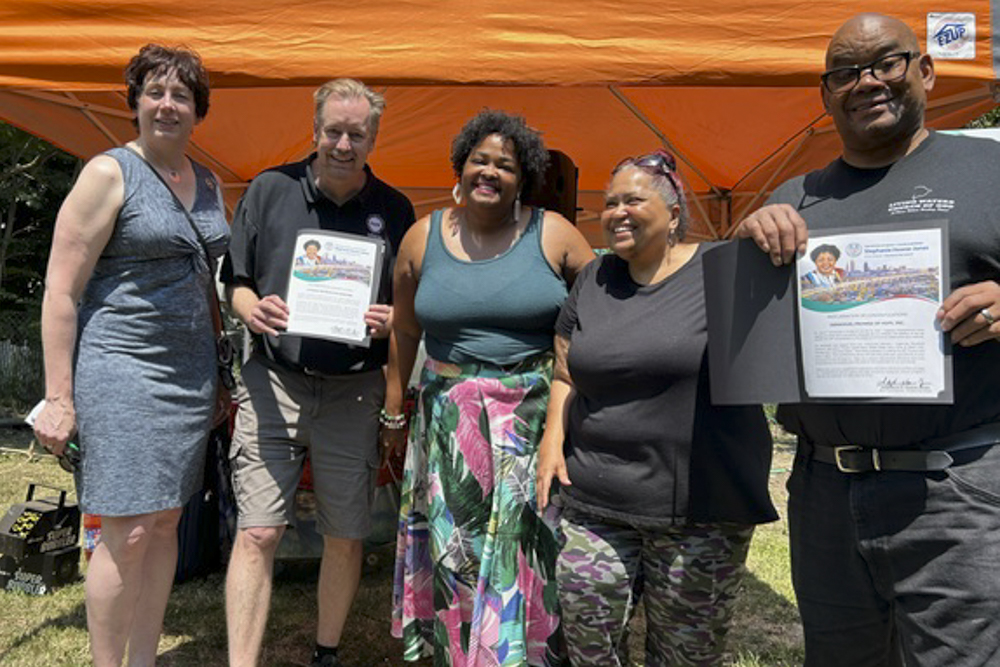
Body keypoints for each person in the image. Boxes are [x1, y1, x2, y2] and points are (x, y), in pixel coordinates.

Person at [736, 13, 1000, 667]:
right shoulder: (796, 196)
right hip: (824, 489)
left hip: (957, 489)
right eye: (846, 73)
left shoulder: (989, 169)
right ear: (826, 95)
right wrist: (745, 239)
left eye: (887, 62)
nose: (867, 82)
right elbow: (748, 324)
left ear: (926, 71)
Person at [535, 151, 776, 666]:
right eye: (609, 203)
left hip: (701, 512)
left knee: (685, 656)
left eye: (633, 200)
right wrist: (552, 439)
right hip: (596, 499)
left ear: (673, 213)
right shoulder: (594, 278)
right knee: (588, 647)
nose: (617, 212)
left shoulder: (721, 269)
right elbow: (565, 370)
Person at [32, 44, 227, 666]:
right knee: (128, 529)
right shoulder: (108, 173)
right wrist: (59, 398)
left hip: (190, 377)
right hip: (122, 368)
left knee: (166, 521)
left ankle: (142, 659)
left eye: (181, 95)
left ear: (198, 110)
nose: (167, 105)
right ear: (135, 103)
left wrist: (219, 372)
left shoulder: (209, 182)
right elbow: (60, 291)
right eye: (155, 92)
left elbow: (206, 281)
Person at [384, 109, 594, 665]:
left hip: (533, 418)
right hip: (447, 421)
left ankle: (524, 655)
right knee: (459, 549)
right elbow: (404, 329)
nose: (490, 173)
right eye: (480, 160)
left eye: (506, 165)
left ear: (523, 178)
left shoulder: (554, 233)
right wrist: (393, 412)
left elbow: (602, 301)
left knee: (527, 546)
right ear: (461, 166)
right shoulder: (421, 237)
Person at [220, 78, 415, 667]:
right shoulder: (269, 190)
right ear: (315, 130)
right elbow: (235, 281)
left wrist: (394, 320)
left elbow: (409, 309)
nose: (343, 145)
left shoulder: (396, 210)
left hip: (355, 390)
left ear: (373, 139)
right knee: (258, 529)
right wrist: (250, 308)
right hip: (274, 380)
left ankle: (325, 653)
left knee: (345, 533)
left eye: (356, 134)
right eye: (333, 131)